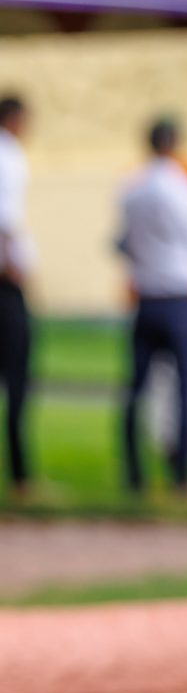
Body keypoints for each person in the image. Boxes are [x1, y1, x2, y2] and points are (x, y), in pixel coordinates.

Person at [114, 116, 187, 496]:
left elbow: (122, 242)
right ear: (175, 144)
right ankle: (182, 476)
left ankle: (133, 471)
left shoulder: (130, 190)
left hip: (146, 296)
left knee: (136, 388)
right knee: (185, 386)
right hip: (180, 297)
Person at [0, 94, 34, 501]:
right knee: (18, 376)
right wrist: (12, 263)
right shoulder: (9, 155)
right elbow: (6, 217)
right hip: (5, 283)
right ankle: (20, 472)